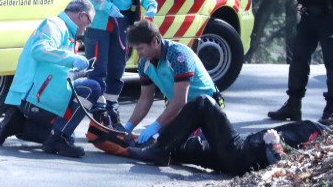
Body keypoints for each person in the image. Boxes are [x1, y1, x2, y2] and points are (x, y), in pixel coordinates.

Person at [124, 21, 290, 176]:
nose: (139, 54)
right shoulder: (144, 64)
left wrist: (155, 126)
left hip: (204, 110)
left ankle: (264, 148)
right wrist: (129, 127)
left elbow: (180, 100)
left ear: (154, 41)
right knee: (167, 147)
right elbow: (145, 99)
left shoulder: (178, 55)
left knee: (195, 148)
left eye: (141, 48)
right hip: (182, 113)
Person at [0, 0, 105, 157]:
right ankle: (57, 138)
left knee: (68, 134)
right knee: (91, 88)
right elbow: (39, 50)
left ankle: (18, 125)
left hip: (34, 95)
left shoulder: (64, 31)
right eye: (89, 22)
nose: (86, 29)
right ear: (82, 16)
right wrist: (72, 59)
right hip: (33, 95)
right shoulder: (55, 25)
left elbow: (56, 68)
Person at [73, 0, 157, 128]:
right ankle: (100, 111)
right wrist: (104, 5)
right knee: (98, 68)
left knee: (118, 67)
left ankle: (112, 108)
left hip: (124, 21)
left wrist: (148, 1)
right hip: (100, 21)